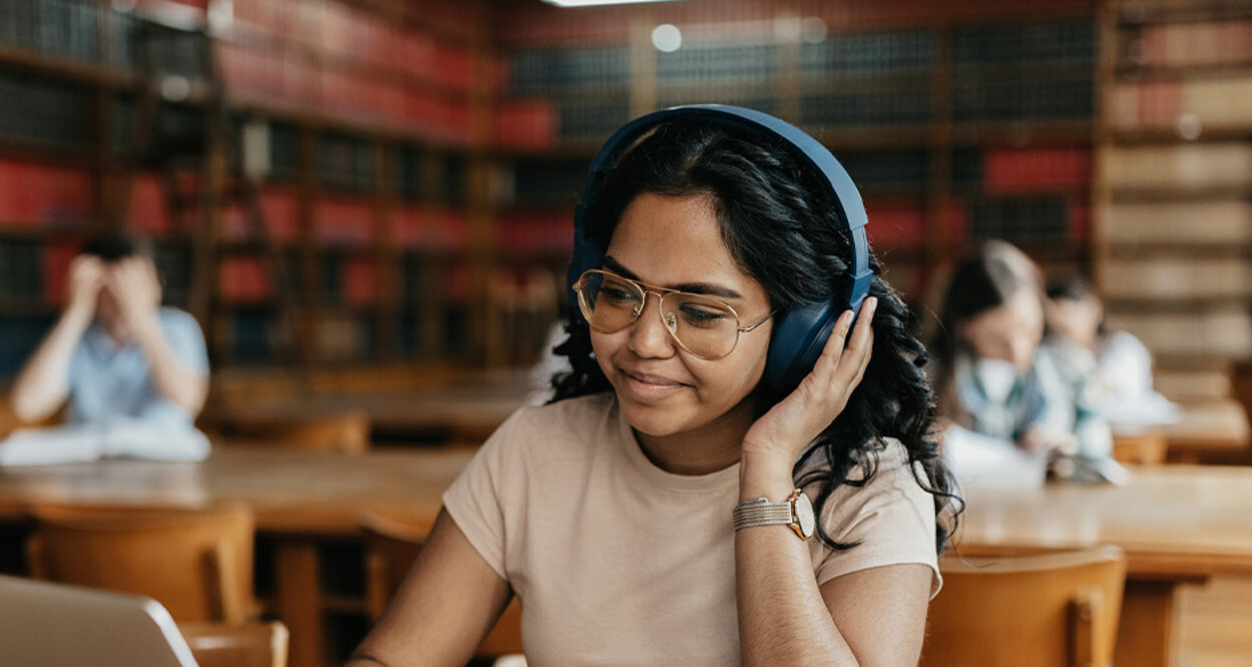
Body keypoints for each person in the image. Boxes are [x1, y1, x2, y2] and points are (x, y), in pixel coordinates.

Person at [349, 110, 960, 665]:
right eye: (619, 292)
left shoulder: (870, 487)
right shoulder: (536, 452)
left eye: (699, 312)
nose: (643, 342)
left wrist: (768, 466)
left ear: (806, 332)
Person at [8, 231, 210, 458]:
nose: (121, 295)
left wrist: (143, 321)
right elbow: (26, 406)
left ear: (157, 283)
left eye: (131, 282)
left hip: (165, 468)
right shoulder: (78, 337)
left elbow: (188, 400)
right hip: (91, 470)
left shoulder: (178, 328)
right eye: (109, 286)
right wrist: (74, 313)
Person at [930, 242, 1115, 484]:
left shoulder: (1072, 368)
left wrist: (1070, 447)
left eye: (1028, 330)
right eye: (996, 338)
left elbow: (1099, 451)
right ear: (964, 328)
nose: (1018, 352)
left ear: (1042, 310)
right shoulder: (930, 376)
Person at [1043, 274, 1179, 431]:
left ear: (1092, 308)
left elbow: (1106, 388)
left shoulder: (1123, 348)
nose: (1061, 323)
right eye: (1053, 318)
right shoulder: (1052, 352)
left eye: (1066, 312)